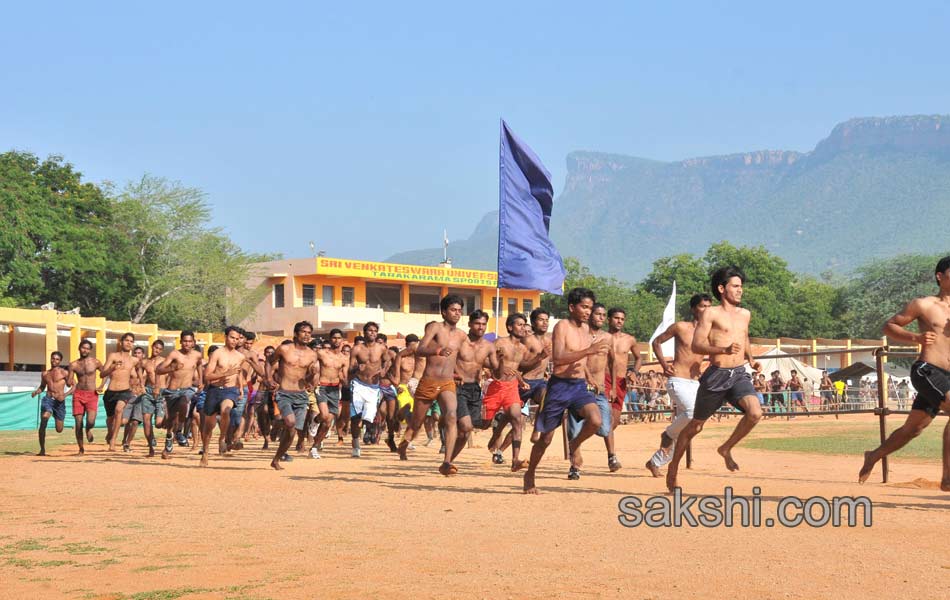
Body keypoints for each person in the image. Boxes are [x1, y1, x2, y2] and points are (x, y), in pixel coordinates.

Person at [666, 266, 762, 493]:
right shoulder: (710, 314)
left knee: (755, 412)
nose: (740, 290)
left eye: (741, 286)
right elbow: (697, 345)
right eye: (735, 286)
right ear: (722, 288)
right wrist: (724, 349)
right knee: (695, 426)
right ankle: (673, 468)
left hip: (739, 373)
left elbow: (744, 337)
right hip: (716, 376)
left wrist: (751, 358)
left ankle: (726, 448)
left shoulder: (745, 314)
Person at [859, 256, 950, 491]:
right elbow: (889, 326)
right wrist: (915, 338)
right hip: (928, 370)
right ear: (940, 276)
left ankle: (874, 455)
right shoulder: (924, 305)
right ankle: (948, 477)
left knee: (914, 429)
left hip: (948, 378)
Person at [523, 287, 610, 494]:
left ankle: (574, 444)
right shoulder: (562, 326)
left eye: (590, 308)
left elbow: (582, 360)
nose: (588, 312)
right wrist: (589, 350)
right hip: (559, 386)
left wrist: (589, 376)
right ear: (572, 307)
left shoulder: (586, 329)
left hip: (579, 386)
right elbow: (559, 358)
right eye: (584, 307)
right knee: (545, 439)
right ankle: (530, 474)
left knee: (596, 420)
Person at [397, 296, 467, 475]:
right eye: (453, 310)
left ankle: (447, 462)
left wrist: (459, 372)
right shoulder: (435, 327)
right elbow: (420, 349)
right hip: (428, 381)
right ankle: (404, 445)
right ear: (444, 312)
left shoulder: (461, 335)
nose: (457, 313)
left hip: (447, 383)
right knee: (416, 424)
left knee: (451, 416)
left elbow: (460, 358)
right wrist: (437, 350)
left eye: (459, 310)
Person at [645, 293, 711, 476]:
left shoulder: (709, 333)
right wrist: (664, 365)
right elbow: (656, 342)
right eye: (702, 306)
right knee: (691, 413)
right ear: (693, 308)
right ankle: (667, 434)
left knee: (695, 424)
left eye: (708, 306)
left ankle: (656, 461)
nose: (706, 310)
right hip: (678, 380)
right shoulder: (681, 327)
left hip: (695, 384)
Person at [564, 303, 613, 480]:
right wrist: (588, 377)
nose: (601, 317)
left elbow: (612, 362)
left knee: (604, 428)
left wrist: (612, 386)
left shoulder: (608, 338)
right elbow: (577, 358)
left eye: (603, 314)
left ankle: (577, 443)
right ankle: (575, 467)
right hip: (579, 387)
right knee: (574, 430)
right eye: (598, 314)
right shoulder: (580, 334)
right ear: (590, 315)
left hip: (600, 389)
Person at [267, 321, 318, 469]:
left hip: (301, 395)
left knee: (292, 431)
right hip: (284, 393)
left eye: (309, 332)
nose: (307, 335)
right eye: (303, 332)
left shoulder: (312, 354)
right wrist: (269, 379)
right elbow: (269, 362)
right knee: (290, 423)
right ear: (296, 333)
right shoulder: (284, 349)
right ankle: (278, 424)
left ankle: (276, 459)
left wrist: (311, 377)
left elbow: (309, 378)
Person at [482, 313, 530, 471]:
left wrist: (521, 381)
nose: (523, 328)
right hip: (496, 386)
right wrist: (500, 365)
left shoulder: (523, 348)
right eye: (520, 325)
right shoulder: (499, 342)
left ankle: (515, 460)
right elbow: (488, 363)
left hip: (511, 388)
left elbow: (518, 369)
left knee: (517, 421)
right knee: (484, 423)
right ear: (510, 327)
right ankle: (495, 434)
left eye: (524, 325)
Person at [450, 310, 494, 462]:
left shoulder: (488, 346)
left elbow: (496, 368)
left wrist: (502, 361)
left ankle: (448, 461)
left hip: (475, 389)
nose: (481, 327)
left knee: (465, 432)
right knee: (466, 426)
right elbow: (448, 358)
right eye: (477, 323)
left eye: (483, 324)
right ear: (469, 324)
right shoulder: (461, 341)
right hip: (458, 388)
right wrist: (455, 373)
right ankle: (447, 460)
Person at [199, 326, 246, 466]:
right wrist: (224, 374)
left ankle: (222, 438)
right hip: (214, 390)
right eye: (232, 337)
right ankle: (206, 452)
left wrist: (241, 388)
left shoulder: (240, 357)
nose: (234, 341)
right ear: (226, 337)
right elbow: (207, 376)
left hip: (230, 390)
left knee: (226, 410)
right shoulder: (217, 354)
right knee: (208, 426)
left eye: (237, 339)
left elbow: (238, 373)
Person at [155, 331, 203, 459]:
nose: (187, 343)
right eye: (185, 341)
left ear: (193, 342)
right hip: (172, 391)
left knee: (184, 402)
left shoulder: (197, 355)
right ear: (181, 342)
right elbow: (158, 370)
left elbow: (199, 366)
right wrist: (172, 368)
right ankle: (169, 438)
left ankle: (179, 431)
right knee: (171, 418)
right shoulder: (174, 354)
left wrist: (201, 381)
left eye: (189, 341)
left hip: (187, 389)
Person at [604, 307, 641, 471]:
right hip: (604, 380)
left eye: (622, 319)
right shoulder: (602, 338)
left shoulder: (630, 339)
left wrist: (634, 371)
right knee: (609, 419)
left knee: (615, 422)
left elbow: (639, 358)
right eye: (616, 318)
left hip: (621, 382)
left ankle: (588, 431)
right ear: (609, 319)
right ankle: (612, 457)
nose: (619, 321)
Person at [347, 322, 390, 457]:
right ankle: (355, 444)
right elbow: (350, 368)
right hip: (359, 384)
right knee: (355, 417)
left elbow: (387, 361)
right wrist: (356, 368)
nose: (372, 333)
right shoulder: (357, 349)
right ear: (364, 332)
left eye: (374, 331)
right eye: (369, 330)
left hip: (374, 386)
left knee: (369, 416)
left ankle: (367, 429)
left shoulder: (382, 348)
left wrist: (383, 371)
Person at [308, 328, 348, 458]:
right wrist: (312, 374)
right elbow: (310, 363)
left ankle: (314, 447)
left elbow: (344, 375)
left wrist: (347, 382)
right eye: (334, 338)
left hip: (335, 389)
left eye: (339, 338)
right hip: (322, 387)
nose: (336, 340)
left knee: (327, 423)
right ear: (330, 339)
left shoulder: (344, 358)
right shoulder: (322, 353)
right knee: (324, 416)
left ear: (342, 340)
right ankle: (315, 420)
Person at [100, 333, 141, 452]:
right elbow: (102, 374)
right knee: (110, 419)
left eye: (131, 341)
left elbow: (138, 372)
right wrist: (112, 368)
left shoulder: (134, 360)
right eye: (126, 340)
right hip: (111, 392)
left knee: (119, 410)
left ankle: (113, 441)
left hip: (125, 391)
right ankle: (110, 432)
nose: (129, 343)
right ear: (121, 342)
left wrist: (139, 385)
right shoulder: (113, 356)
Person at [31, 351, 70, 456]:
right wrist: (36, 392)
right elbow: (42, 387)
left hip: (60, 402)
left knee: (59, 429)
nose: (54, 361)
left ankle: (52, 414)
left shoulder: (64, 373)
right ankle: (42, 450)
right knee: (45, 418)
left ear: (60, 361)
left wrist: (65, 395)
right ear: (50, 359)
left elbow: (74, 385)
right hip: (48, 399)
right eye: (53, 358)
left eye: (57, 359)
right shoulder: (45, 373)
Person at [67, 340, 101, 454]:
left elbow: (104, 373)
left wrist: (101, 385)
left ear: (90, 350)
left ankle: (88, 429)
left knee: (91, 421)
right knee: (78, 423)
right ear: (79, 348)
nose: (85, 350)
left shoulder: (95, 362)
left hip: (92, 394)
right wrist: (69, 380)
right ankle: (81, 449)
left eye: (87, 348)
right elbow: (69, 382)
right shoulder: (73, 364)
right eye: (83, 348)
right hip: (78, 394)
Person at [391, 334, 422, 451]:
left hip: (417, 388)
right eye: (411, 346)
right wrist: (397, 385)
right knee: (404, 413)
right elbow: (395, 374)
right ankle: (397, 422)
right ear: (407, 345)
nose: (413, 349)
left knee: (416, 416)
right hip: (403, 388)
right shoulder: (401, 358)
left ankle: (407, 440)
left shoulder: (420, 358)